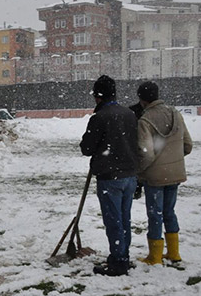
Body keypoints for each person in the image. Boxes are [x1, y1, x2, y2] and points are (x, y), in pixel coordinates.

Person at [79, 75, 138, 276]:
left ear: (98, 96)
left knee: (114, 221)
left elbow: (87, 148)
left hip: (110, 176)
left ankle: (118, 262)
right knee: (124, 218)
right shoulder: (129, 114)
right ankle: (123, 255)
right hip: (129, 175)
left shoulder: (100, 117)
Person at [134, 81, 192, 265]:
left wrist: (139, 172)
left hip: (155, 177)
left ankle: (155, 256)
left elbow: (146, 153)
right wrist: (172, 158)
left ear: (142, 99)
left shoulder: (145, 120)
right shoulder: (175, 113)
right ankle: (174, 253)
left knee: (155, 214)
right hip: (174, 174)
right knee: (169, 212)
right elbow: (188, 146)